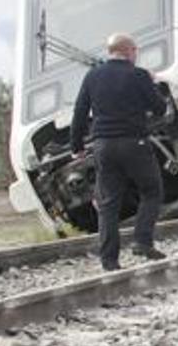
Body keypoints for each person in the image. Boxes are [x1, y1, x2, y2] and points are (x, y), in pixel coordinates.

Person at [70, 33, 167, 271]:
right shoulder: (139, 75)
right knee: (151, 190)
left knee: (108, 203)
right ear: (130, 51)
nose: (136, 55)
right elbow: (160, 108)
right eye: (136, 51)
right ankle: (142, 241)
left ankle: (109, 261)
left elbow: (80, 112)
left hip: (103, 146)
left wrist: (77, 148)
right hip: (135, 143)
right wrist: (152, 84)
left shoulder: (92, 76)